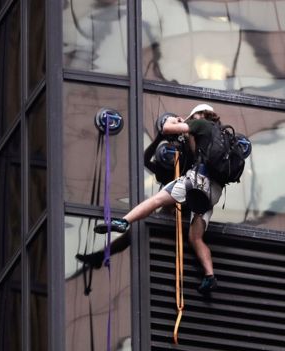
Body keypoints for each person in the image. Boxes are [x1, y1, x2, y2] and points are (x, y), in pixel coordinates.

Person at [93, 103, 224, 294]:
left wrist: (177, 121)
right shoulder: (221, 135)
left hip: (198, 182)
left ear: (200, 115)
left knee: (157, 200)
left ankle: (124, 222)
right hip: (214, 193)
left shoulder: (201, 124)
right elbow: (197, 152)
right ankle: (210, 276)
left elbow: (166, 128)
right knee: (196, 237)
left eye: (192, 116)